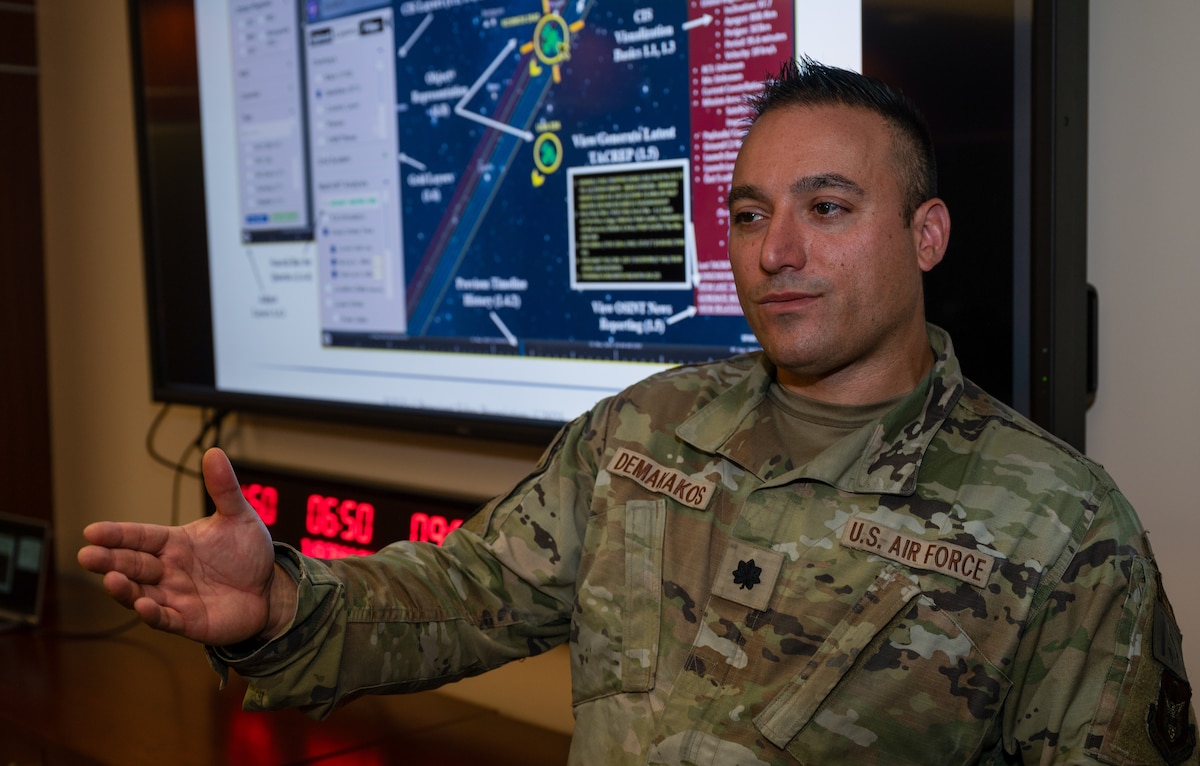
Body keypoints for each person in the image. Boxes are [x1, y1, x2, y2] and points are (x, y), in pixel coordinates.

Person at [78, 57, 1196, 765]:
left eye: (830, 207)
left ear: (927, 234)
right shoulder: (642, 435)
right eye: (752, 212)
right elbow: (464, 595)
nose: (779, 252)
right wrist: (282, 597)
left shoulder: (1063, 528)